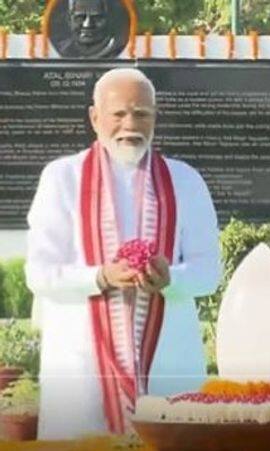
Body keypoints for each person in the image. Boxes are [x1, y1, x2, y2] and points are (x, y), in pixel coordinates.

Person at [25, 68, 221, 439]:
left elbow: (209, 273)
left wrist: (171, 278)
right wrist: (100, 276)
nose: (130, 124)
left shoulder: (186, 180)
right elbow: (41, 273)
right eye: (118, 113)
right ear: (95, 118)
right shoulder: (61, 177)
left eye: (142, 113)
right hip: (82, 365)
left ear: (155, 117)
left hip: (167, 360)